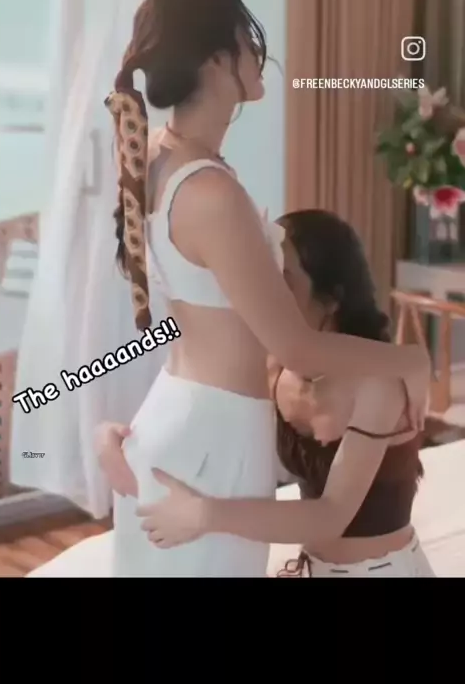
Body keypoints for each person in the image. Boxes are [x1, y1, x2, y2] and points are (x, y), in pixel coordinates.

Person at [32, 0, 429, 578]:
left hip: (183, 423)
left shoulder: (163, 160)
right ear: (218, 60)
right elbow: (296, 347)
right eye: (249, 37)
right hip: (211, 440)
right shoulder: (209, 190)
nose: (259, 52)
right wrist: (408, 361)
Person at [103, 210, 434, 577]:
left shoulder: (378, 385)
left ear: (332, 298)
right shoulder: (274, 369)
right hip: (312, 569)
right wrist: (120, 438)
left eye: (283, 280)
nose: (265, 295)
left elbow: (330, 516)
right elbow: (195, 404)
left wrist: (206, 514)